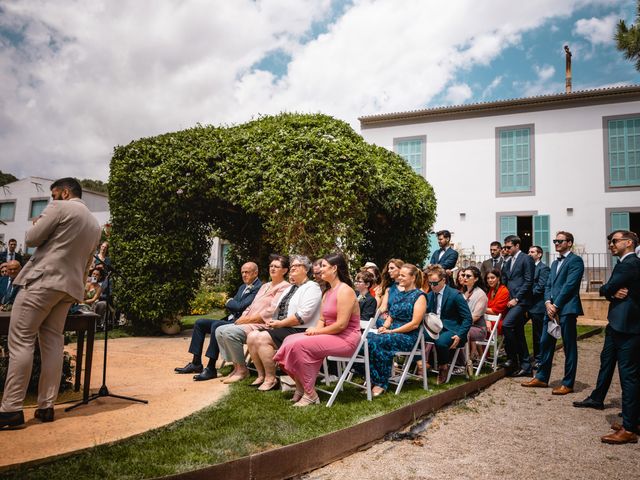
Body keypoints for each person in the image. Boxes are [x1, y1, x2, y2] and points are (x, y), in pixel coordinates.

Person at [0, 177, 101, 429]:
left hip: (42, 282)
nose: (51, 200)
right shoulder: (94, 224)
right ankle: (46, 406)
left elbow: (33, 238)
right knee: (53, 343)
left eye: (53, 195)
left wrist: (38, 223)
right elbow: (86, 261)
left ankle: (11, 408)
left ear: (64, 193)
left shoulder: (59, 207)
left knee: (22, 339)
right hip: (68, 288)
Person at [573, 230, 640, 444]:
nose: (610, 244)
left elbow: (606, 287)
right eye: (610, 241)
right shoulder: (624, 263)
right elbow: (611, 290)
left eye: (614, 241)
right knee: (606, 361)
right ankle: (599, 399)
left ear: (628, 243)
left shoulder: (630, 264)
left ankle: (630, 428)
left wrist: (608, 290)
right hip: (616, 325)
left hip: (628, 327)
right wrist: (611, 291)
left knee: (628, 376)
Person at [273, 253, 361, 406]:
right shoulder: (327, 292)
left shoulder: (345, 290)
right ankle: (301, 388)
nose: (320, 270)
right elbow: (322, 319)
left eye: (324, 266)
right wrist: (314, 330)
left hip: (346, 339)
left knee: (300, 345)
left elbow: (341, 325)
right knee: (289, 340)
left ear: (334, 269)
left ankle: (310, 394)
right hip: (331, 335)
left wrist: (316, 332)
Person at [246, 255, 322, 391]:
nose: (292, 268)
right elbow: (277, 310)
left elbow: (302, 316)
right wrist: (273, 322)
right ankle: (261, 375)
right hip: (284, 327)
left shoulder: (312, 287)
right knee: (252, 336)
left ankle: (271, 378)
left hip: (301, 329)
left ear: (305, 269)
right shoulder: (290, 288)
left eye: (296, 266)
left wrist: (280, 324)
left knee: (262, 338)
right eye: (291, 266)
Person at [174, 262, 261, 380]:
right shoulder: (242, 287)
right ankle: (196, 363)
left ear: (255, 273)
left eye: (247, 272)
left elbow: (239, 306)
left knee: (216, 325)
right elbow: (236, 305)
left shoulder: (258, 288)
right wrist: (233, 304)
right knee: (200, 323)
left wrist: (230, 302)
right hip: (231, 319)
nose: (244, 275)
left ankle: (211, 368)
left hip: (241, 323)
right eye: (242, 272)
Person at [214, 254, 292, 385]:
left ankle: (242, 370)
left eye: (276, 267)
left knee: (229, 333)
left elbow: (271, 311)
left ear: (284, 271)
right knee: (219, 330)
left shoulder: (284, 287)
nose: (272, 269)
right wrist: (244, 317)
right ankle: (237, 367)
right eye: (271, 266)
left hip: (262, 325)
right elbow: (252, 306)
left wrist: (246, 320)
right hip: (249, 321)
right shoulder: (265, 286)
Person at [522, 232, 584, 395]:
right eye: (555, 241)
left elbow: (570, 286)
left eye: (560, 241)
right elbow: (548, 285)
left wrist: (556, 305)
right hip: (550, 310)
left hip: (567, 309)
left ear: (569, 243)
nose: (556, 243)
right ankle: (542, 377)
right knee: (544, 344)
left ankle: (568, 383)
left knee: (569, 346)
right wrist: (548, 303)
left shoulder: (575, 261)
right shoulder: (555, 264)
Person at [366, 264, 426, 397]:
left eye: (403, 275)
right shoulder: (399, 295)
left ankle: (381, 382)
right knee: (366, 338)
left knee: (378, 341)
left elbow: (415, 324)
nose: (400, 278)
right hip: (392, 331)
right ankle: (373, 378)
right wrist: (385, 327)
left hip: (407, 336)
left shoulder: (420, 296)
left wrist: (391, 332)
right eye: (400, 275)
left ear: (413, 277)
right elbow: (391, 316)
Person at [425, 264, 472, 384]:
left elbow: (467, 318)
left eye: (435, 283)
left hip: (452, 330)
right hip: (434, 329)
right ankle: (421, 364)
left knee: (440, 341)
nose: (432, 286)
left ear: (444, 280)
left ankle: (443, 367)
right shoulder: (430, 295)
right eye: (430, 283)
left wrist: (461, 334)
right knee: (414, 336)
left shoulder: (455, 295)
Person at [501, 235, 535, 377]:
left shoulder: (526, 259)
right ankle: (526, 366)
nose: (506, 250)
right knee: (518, 332)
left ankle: (512, 358)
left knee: (507, 325)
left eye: (509, 247)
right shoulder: (508, 262)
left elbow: (528, 281)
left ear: (517, 246)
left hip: (521, 301)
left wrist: (516, 298)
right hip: (510, 301)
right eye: (505, 247)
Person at [527, 245, 550, 368]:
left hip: (538, 306)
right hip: (527, 305)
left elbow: (541, 287)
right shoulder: (527, 268)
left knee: (538, 334)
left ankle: (539, 359)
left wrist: (526, 295)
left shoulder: (544, 268)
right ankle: (525, 357)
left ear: (539, 254)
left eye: (532, 252)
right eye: (528, 252)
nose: (529, 254)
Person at [462, 266, 488, 360]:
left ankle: (464, 362)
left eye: (468, 276)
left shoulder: (481, 295)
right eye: (464, 275)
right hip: (466, 325)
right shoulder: (464, 292)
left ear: (476, 279)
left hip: (478, 329)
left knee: (461, 331)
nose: (465, 278)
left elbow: (475, 317)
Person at [484, 269, 510, 335]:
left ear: (498, 278)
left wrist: (480, 309)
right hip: (488, 318)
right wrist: (487, 320)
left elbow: (495, 311)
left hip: (498, 321)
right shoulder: (490, 290)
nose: (490, 280)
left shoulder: (504, 291)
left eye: (492, 278)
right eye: (488, 278)